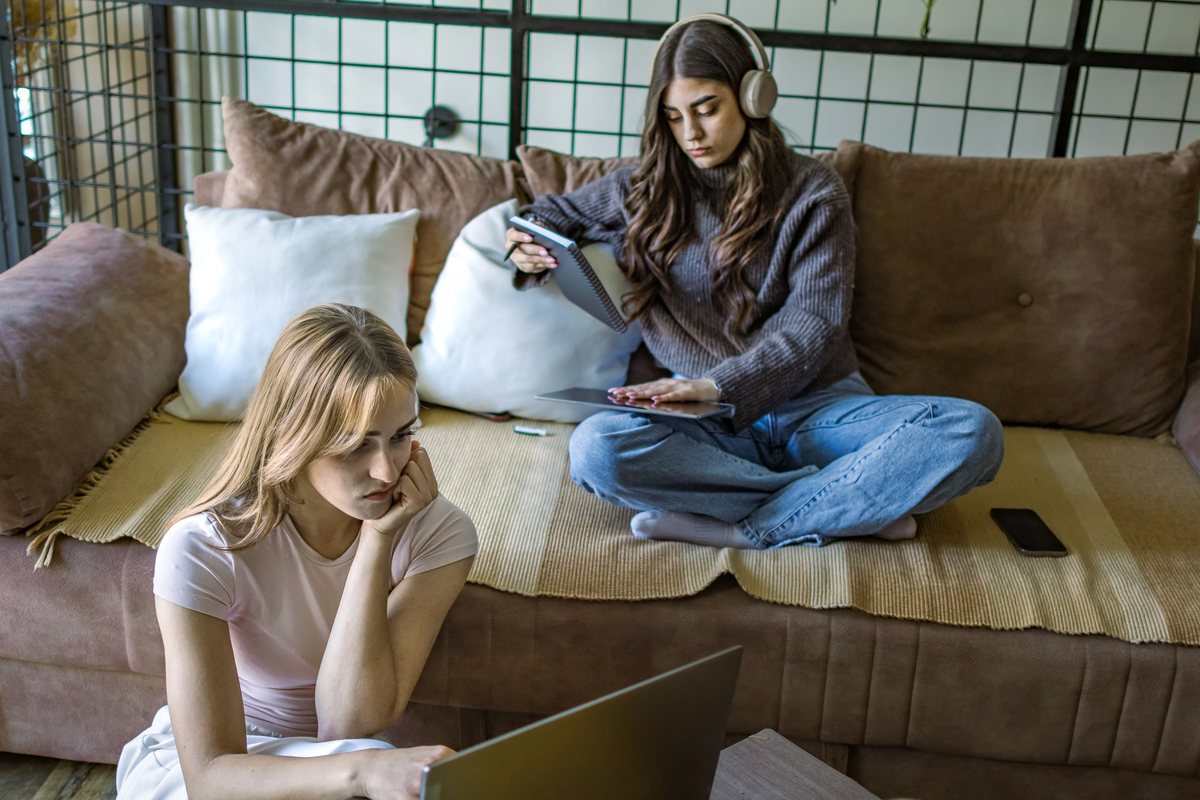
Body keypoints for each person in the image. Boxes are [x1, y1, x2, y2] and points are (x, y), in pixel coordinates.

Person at [506, 15, 1003, 549]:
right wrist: (527, 245)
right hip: (709, 428)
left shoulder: (814, 191)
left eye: (706, 109)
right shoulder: (642, 188)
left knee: (973, 431)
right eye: (673, 117)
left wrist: (720, 385)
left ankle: (747, 528)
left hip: (820, 412)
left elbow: (815, 325)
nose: (690, 134)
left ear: (752, 96)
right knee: (597, 451)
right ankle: (849, 506)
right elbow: (546, 215)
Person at [116, 303, 477, 800]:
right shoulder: (205, 546)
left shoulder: (440, 535)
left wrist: (378, 537)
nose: (388, 473)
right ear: (293, 433)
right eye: (355, 445)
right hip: (228, 772)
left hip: (343, 763)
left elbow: (347, 722)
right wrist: (366, 771)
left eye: (401, 437)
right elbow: (209, 775)